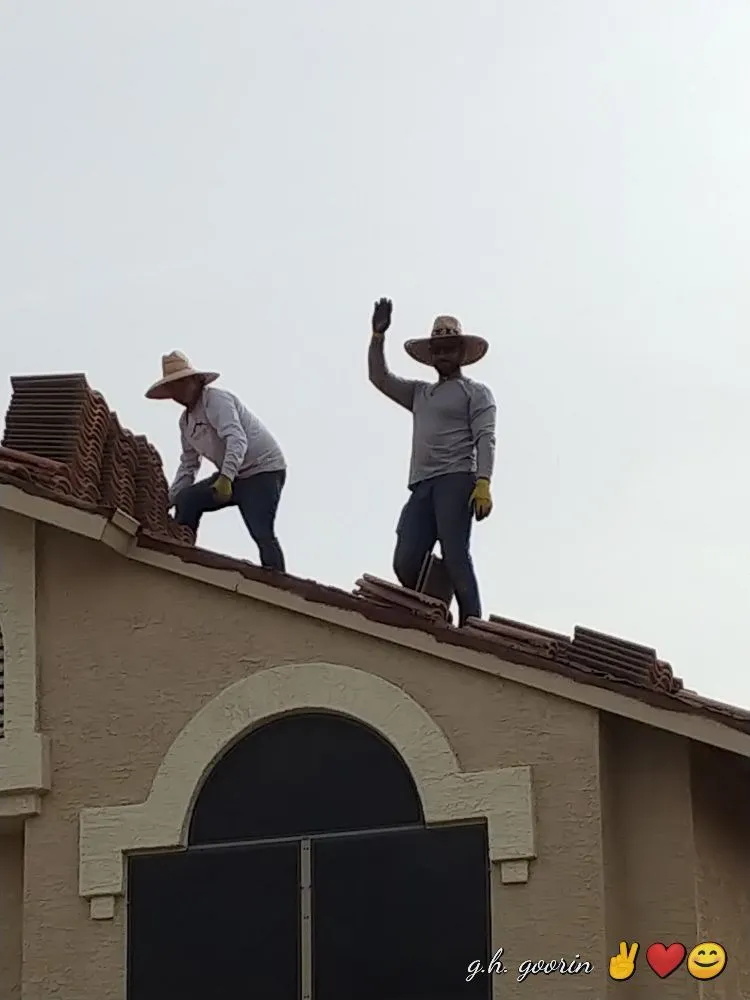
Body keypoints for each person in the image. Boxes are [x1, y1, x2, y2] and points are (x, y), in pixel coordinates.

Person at [368, 298, 496, 625]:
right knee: (406, 558)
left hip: (456, 479)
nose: (442, 354)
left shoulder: (475, 392)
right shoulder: (420, 393)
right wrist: (378, 337)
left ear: (459, 352)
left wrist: (483, 481)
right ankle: (434, 609)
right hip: (422, 483)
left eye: (448, 348)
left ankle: (472, 623)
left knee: (455, 554)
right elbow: (380, 377)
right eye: (437, 349)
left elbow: (485, 437)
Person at [146, 351, 287, 571]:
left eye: (182, 384)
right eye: (173, 388)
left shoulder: (216, 400)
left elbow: (237, 439)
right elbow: (189, 464)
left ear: (195, 381)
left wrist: (225, 478)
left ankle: (279, 583)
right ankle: (180, 554)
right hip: (231, 476)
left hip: (262, 470)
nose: (178, 393)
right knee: (188, 500)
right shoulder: (186, 423)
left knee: (261, 531)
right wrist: (170, 499)